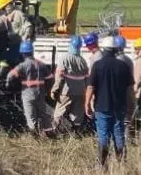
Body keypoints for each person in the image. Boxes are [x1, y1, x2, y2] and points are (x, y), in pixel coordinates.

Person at [85, 36, 134, 168]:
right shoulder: (124, 66)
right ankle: (121, 163)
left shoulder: (97, 65)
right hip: (119, 106)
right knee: (118, 133)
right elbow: (130, 90)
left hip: (102, 106)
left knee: (103, 134)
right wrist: (131, 107)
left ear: (104, 49)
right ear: (116, 49)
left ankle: (101, 164)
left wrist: (87, 104)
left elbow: (90, 87)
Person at [6, 41, 53, 135]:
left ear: (23, 53)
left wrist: (8, 84)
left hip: (28, 94)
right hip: (40, 93)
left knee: (30, 115)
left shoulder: (22, 66)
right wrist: (48, 90)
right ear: (32, 52)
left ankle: (35, 136)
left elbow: (10, 76)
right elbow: (50, 78)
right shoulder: (41, 64)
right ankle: (49, 133)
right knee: (43, 114)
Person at [51, 36, 89, 131]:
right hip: (80, 91)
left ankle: (54, 131)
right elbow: (87, 78)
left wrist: (54, 90)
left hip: (67, 91)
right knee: (77, 114)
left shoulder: (64, 58)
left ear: (70, 45)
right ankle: (76, 133)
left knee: (59, 113)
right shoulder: (82, 61)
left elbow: (59, 76)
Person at [0, 0, 32, 83]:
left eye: (5, 7)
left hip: (19, 44)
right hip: (12, 43)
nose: (5, 9)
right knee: (5, 59)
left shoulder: (18, 14)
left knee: (7, 60)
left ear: (10, 4)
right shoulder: (7, 16)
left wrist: (25, 39)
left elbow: (28, 26)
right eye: (3, 8)